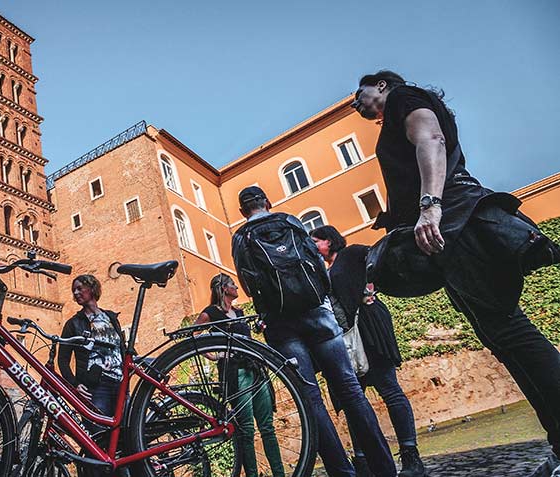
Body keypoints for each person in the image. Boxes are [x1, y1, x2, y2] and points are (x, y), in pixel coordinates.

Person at [353, 70, 560, 474]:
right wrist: (395, 216)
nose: (354, 103)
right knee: (503, 339)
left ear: (381, 84)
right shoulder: (399, 112)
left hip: (458, 225)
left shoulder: (402, 98)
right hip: (455, 232)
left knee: (513, 333)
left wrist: (430, 206)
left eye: (357, 93)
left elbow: (431, 139)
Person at [231, 186, 397, 477]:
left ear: (243, 211)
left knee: (311, 400)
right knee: (351, 391)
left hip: (281, 325)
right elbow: (317, 265)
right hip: (317, 314)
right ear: (267, 202)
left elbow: (247, 285)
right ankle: (385, 470)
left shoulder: (241, 237)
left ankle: (342, 472)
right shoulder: (290, 221)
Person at [311, 225, 426, 477]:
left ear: (330, 241)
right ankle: (363, 463)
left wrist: (373, 288)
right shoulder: (325, 271)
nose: (313, 246)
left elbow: (380, 258)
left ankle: (411, 458)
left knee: (390, 390)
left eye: (316, 241)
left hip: (371, 327)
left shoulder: (352, 253)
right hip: (348, 340)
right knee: (355, 402)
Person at [193, 273, 285, 477]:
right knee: (246, 430)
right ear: (223, 288)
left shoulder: (240, 311)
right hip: (235, 373)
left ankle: (280, 474)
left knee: (267, 426)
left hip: (255, 370)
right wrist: (215, 356)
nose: (236, 287)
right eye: (233, 284)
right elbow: (193, 335)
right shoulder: (211, 313)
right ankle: (252, 474)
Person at [57, 275, 124, 477]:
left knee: (122, 441)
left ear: (92, 289)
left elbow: (122, 349)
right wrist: (75, 385)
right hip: (96, 388)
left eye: (80, 288)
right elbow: (63, 360)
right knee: (98, 441)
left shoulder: (111, 317)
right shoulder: (73, 324)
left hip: (120, 384)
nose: (76, 293)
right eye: (73, 290)